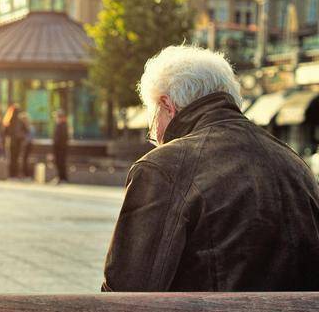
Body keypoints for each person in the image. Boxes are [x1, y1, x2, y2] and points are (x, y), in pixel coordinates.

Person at [102, 45, 319, 292]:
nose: (155, 137)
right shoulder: (295, 164)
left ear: (167, 106)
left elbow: (126, 291)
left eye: (152, 123)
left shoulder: (163, 167)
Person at [3, 104, 27, 178]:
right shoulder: (19, 121)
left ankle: (11, 173)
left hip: (11, 142)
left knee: (12, 158)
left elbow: (5, 132)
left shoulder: (8, 120)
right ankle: (15, 173)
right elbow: (26, 130)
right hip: (17, 142)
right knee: (16, 158)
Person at [51, 109, 69, 184]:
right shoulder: (60, 125)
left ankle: (62, 178)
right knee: (59, 163)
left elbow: (61, 138)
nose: (56, 118)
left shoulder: (62, 126)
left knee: (61, 163)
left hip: (60, 148)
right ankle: (61, 178)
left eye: (57, 117)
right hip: (59, 148)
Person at [19, 112, 34, 178]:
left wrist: (25, 141)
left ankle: (26, 173)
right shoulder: (26, 126)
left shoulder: (29, 127)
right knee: (24, 159)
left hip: (28, 145)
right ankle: (24, 173)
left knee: (25, 159)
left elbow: (30, 136)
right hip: (26, 144)